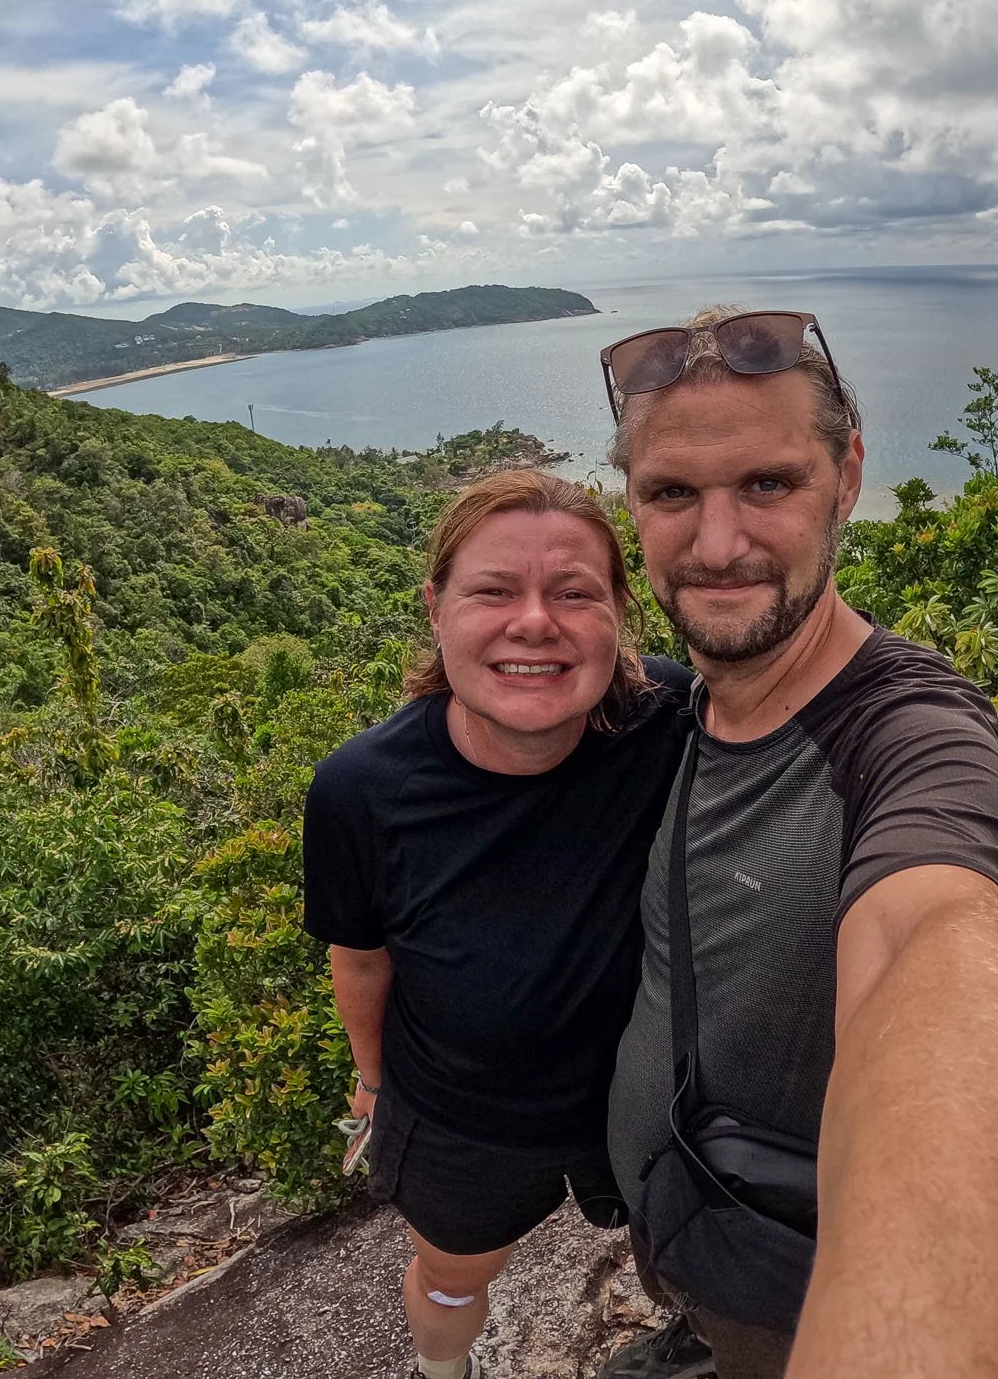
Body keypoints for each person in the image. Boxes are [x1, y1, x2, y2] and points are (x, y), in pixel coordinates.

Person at [596, 309, 998, 1379]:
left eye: (768, 484)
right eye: (671, 493)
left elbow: (929, 933)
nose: (717, 544)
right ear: (632, 503)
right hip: (691, 1222)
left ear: (847, 477)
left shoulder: (906, 733)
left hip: (787, 1283)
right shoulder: (678, 707)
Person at [302, 469, 693, 1379]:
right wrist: (371, 1083)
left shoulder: (670, 718)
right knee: (451, 1282)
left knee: (686, 1251)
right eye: (493, 591)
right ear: (436, 608)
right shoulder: (363, 789)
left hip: (647, 1093)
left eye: (574, 593)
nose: (535, 623)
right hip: (463, 1119)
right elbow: (361, 958)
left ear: (620, 614)